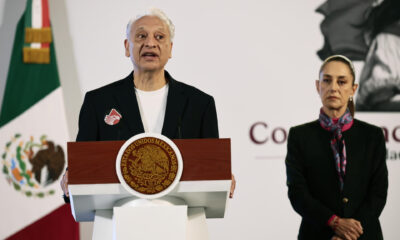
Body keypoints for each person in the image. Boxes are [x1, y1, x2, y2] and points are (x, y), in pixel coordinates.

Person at [61, 8, 235, 202]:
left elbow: (210, 167)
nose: (150, 43)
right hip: (118, 221)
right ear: (127, 46)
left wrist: (221, 178)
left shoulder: (199, 104)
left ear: (170, 48)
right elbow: (82, 168)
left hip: (181, 221)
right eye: (141, 36)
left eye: (159, 37)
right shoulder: (98, 101)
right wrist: (71, 178)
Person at [285, 55, 388, 240]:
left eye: (341, 82)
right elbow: (298, 193)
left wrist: (349, 232)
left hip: (364, 235)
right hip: (317, 234)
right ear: (318, 86)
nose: (333, 87)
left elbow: (378, 192)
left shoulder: (372, 136)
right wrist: (334, 223)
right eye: (327, 80)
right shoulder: (299, 136)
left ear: (353, 89)